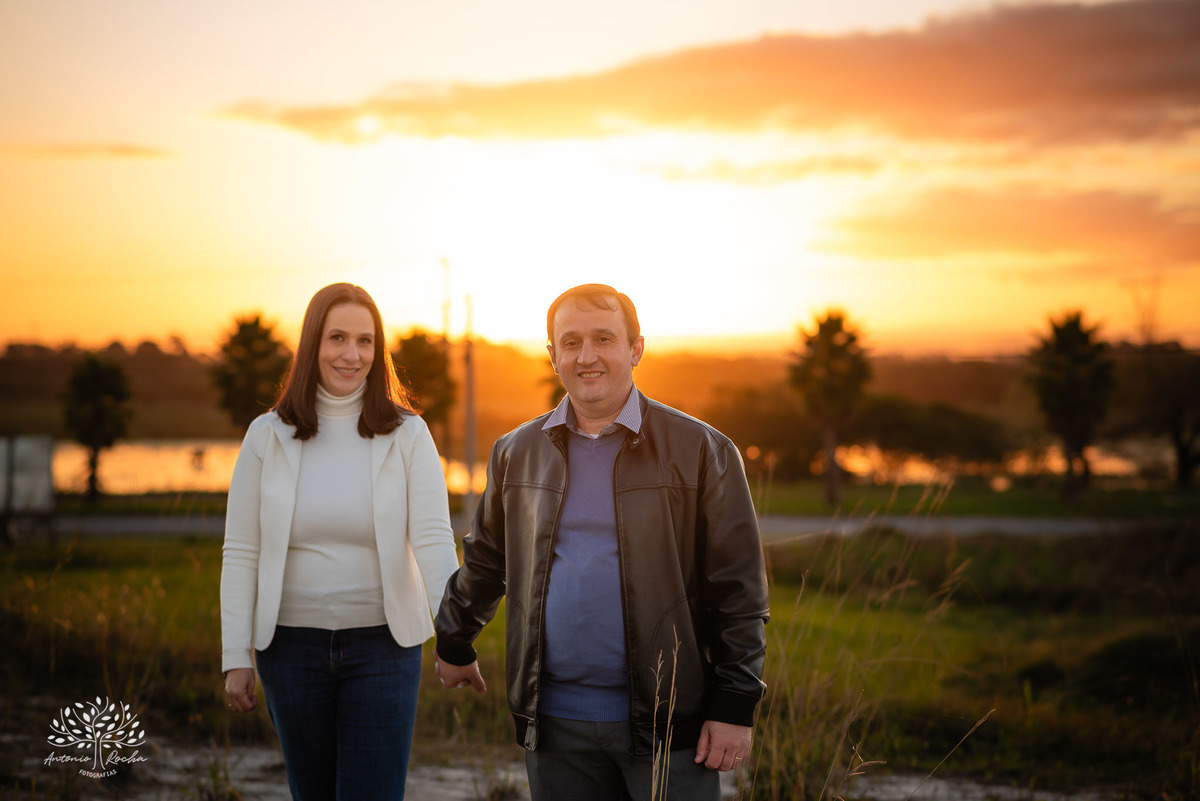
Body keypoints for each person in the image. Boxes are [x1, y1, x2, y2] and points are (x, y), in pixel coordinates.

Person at [434, 283, 769, 801]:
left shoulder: (703, 450)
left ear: (636, 348)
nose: (586, 357)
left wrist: (734, 705)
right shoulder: (515, 452)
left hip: (669, 726)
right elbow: (486, 561)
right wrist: (455, 641)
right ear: (552, 356)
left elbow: (739, 590)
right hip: (554, 724)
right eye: (570, 342)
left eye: (603, 339)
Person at [220, 282, 460, 800]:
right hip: (289, 648)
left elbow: (435, 539)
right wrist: (235, 653)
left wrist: (454, 636)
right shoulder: (266, 436)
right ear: (313, 344)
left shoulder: (408, 435)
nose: (352, 354)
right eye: (337, 338)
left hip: (384, 648)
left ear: (379, 351)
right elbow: (242, 550)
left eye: (366, 341)